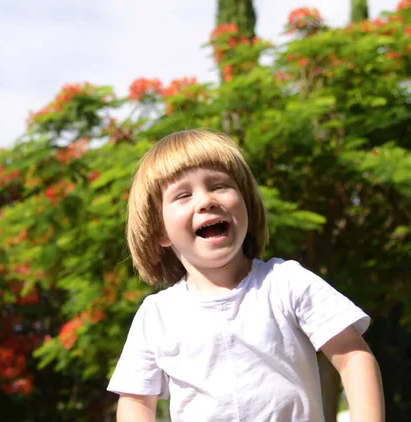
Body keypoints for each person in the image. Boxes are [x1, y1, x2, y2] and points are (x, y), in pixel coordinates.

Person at [107, 130, 384, 421]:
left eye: (219, 185)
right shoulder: (157, 316)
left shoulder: (285, 282)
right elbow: (135, 401)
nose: (206, 201)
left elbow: (354, 356)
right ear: (160, 230)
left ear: (246, 206)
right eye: (184, 194)